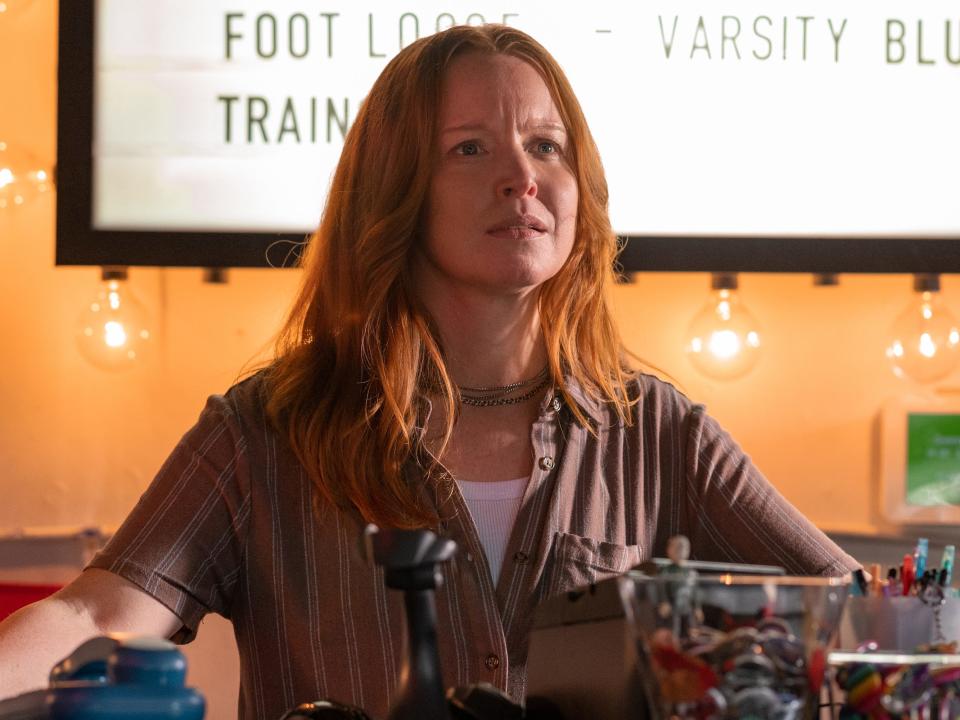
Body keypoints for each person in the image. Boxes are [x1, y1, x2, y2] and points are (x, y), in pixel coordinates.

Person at [0, 23, 858, 719]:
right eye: (470, 150)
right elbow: (95, 615)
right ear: (394, 189)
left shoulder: (660, 430)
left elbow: (856, 615)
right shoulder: (265, 428)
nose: (523, 177)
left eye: (546, 145)